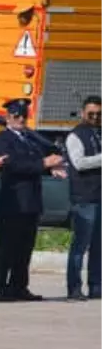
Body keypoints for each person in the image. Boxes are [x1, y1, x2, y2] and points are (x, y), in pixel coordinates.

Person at [0, 98, 65, 302]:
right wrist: (42, 163)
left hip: (31, 201)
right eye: (16, 116)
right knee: (7, 247)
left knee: (25, 247)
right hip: (13, 201)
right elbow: (13, 164)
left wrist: (52, 165)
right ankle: (1, 287)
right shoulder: (3, 139)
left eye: (24, 115)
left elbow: (51, 151)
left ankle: (19, 286)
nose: (21, 119)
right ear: (7, 118)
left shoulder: (30, 138)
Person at [64, 95, 102, 301]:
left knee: (99, 245)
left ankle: (96, 286)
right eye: (91, 114)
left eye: (99, 114)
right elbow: (79, 163)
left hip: (100, 196)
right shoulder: (76, 135)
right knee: (80, 246)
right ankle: (74, 288)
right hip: (84, 197)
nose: (95, 117)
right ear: (83, 113)